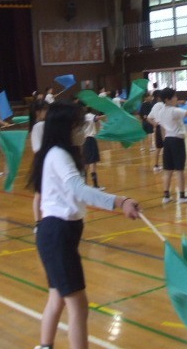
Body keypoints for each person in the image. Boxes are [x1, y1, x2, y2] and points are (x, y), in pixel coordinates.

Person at [28, 101, 140, 349]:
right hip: (57, 233)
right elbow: (79, 190)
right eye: (78, 126)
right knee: (78, 304)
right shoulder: (58, 155)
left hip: (59, 233)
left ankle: (45, 346)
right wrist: (120, 201)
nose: (82, 130)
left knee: (57, 297)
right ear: (66, 128)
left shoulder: (60, 153)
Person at [31, 98, 48, 232]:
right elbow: (38, 148)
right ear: (39, 112)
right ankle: (38, 223)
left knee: (43, 193)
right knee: (39, 193)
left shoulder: (41, 125)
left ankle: (44, 221)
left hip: (44, 160)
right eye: (45, 110)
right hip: (42, 161)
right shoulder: (39, 126)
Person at [82, 109, 104, 189]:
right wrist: (109, 114)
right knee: (92, 162)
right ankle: (95, 185)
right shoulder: (88, 115)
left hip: (84, 140)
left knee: (86, 162)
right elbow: (96, 118)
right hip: (90, 140)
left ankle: (84, 183)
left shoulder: (80, 116)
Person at [148, 90, 164, 171]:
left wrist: (155, 124)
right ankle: (168, 165)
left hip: (158, 127)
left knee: (158, 147)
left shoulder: (154, 106)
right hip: (164, 127)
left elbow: (149, 118)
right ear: (159, 97)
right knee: (167, 146)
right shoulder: (162, 105)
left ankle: (156, 165)